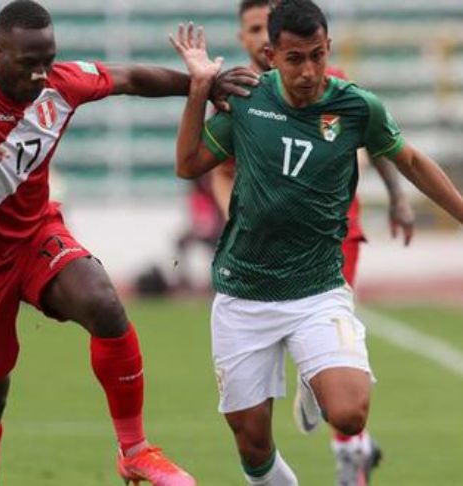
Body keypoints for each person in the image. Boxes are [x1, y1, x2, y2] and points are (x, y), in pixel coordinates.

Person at [0, 1, 254, 484]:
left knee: (104, 304)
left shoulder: (60, 82)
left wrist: (202, 84)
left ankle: (134, 449)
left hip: (34, 236)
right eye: (29, 63)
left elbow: (129, 77)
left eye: (49, 60)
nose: (42, 75)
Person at [169, 0, 463, 484]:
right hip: (244, 293)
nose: (309, 71)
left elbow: (409, 160)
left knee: (349, 414)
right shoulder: (247, 100)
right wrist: (199, 90)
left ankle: (315, 369)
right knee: (253, 443)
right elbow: (188, 164)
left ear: (328, 49)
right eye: (295, 59)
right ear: (271, 54)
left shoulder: (355, 105)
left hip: (317, 291)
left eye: (318, 55)